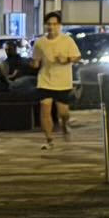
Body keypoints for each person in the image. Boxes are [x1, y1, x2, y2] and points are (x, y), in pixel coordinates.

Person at [30, 12, 81, 148]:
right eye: (48, 24)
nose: (51, 27)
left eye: (54, 24)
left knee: (63, 112)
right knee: (45, 108)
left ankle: (64, 125)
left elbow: (77, 56)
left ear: (59, 26)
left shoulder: (67, 40)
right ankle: (49, 139)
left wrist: (66, 59)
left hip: (63, 82)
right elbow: (35, 60)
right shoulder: (40, 43)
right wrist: (34, 64)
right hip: (45, 80)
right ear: (45, 26)